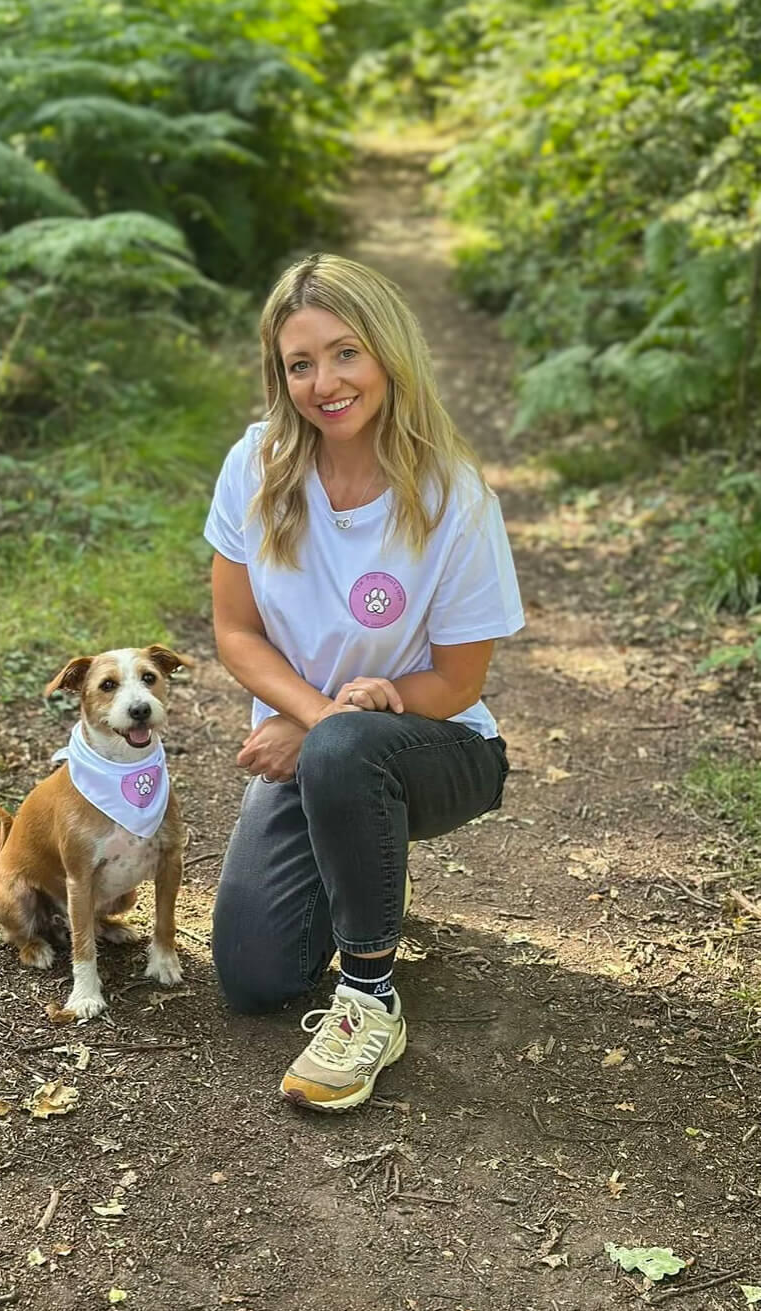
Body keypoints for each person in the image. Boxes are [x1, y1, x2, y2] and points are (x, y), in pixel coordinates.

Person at [203, 252, 524, 1112]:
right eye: (299, 364)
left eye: (345, 353)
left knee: (345, 749)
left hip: (438, 746)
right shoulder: (257, 464)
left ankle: (369, 997)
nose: (324, 383)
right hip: (318, 745)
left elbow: (458, 679)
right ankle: (361, 857)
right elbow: (235, 630)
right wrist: (317, 719)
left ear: (387, 352)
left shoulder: (452, 495)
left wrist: (331, 729)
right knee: (254, 977)